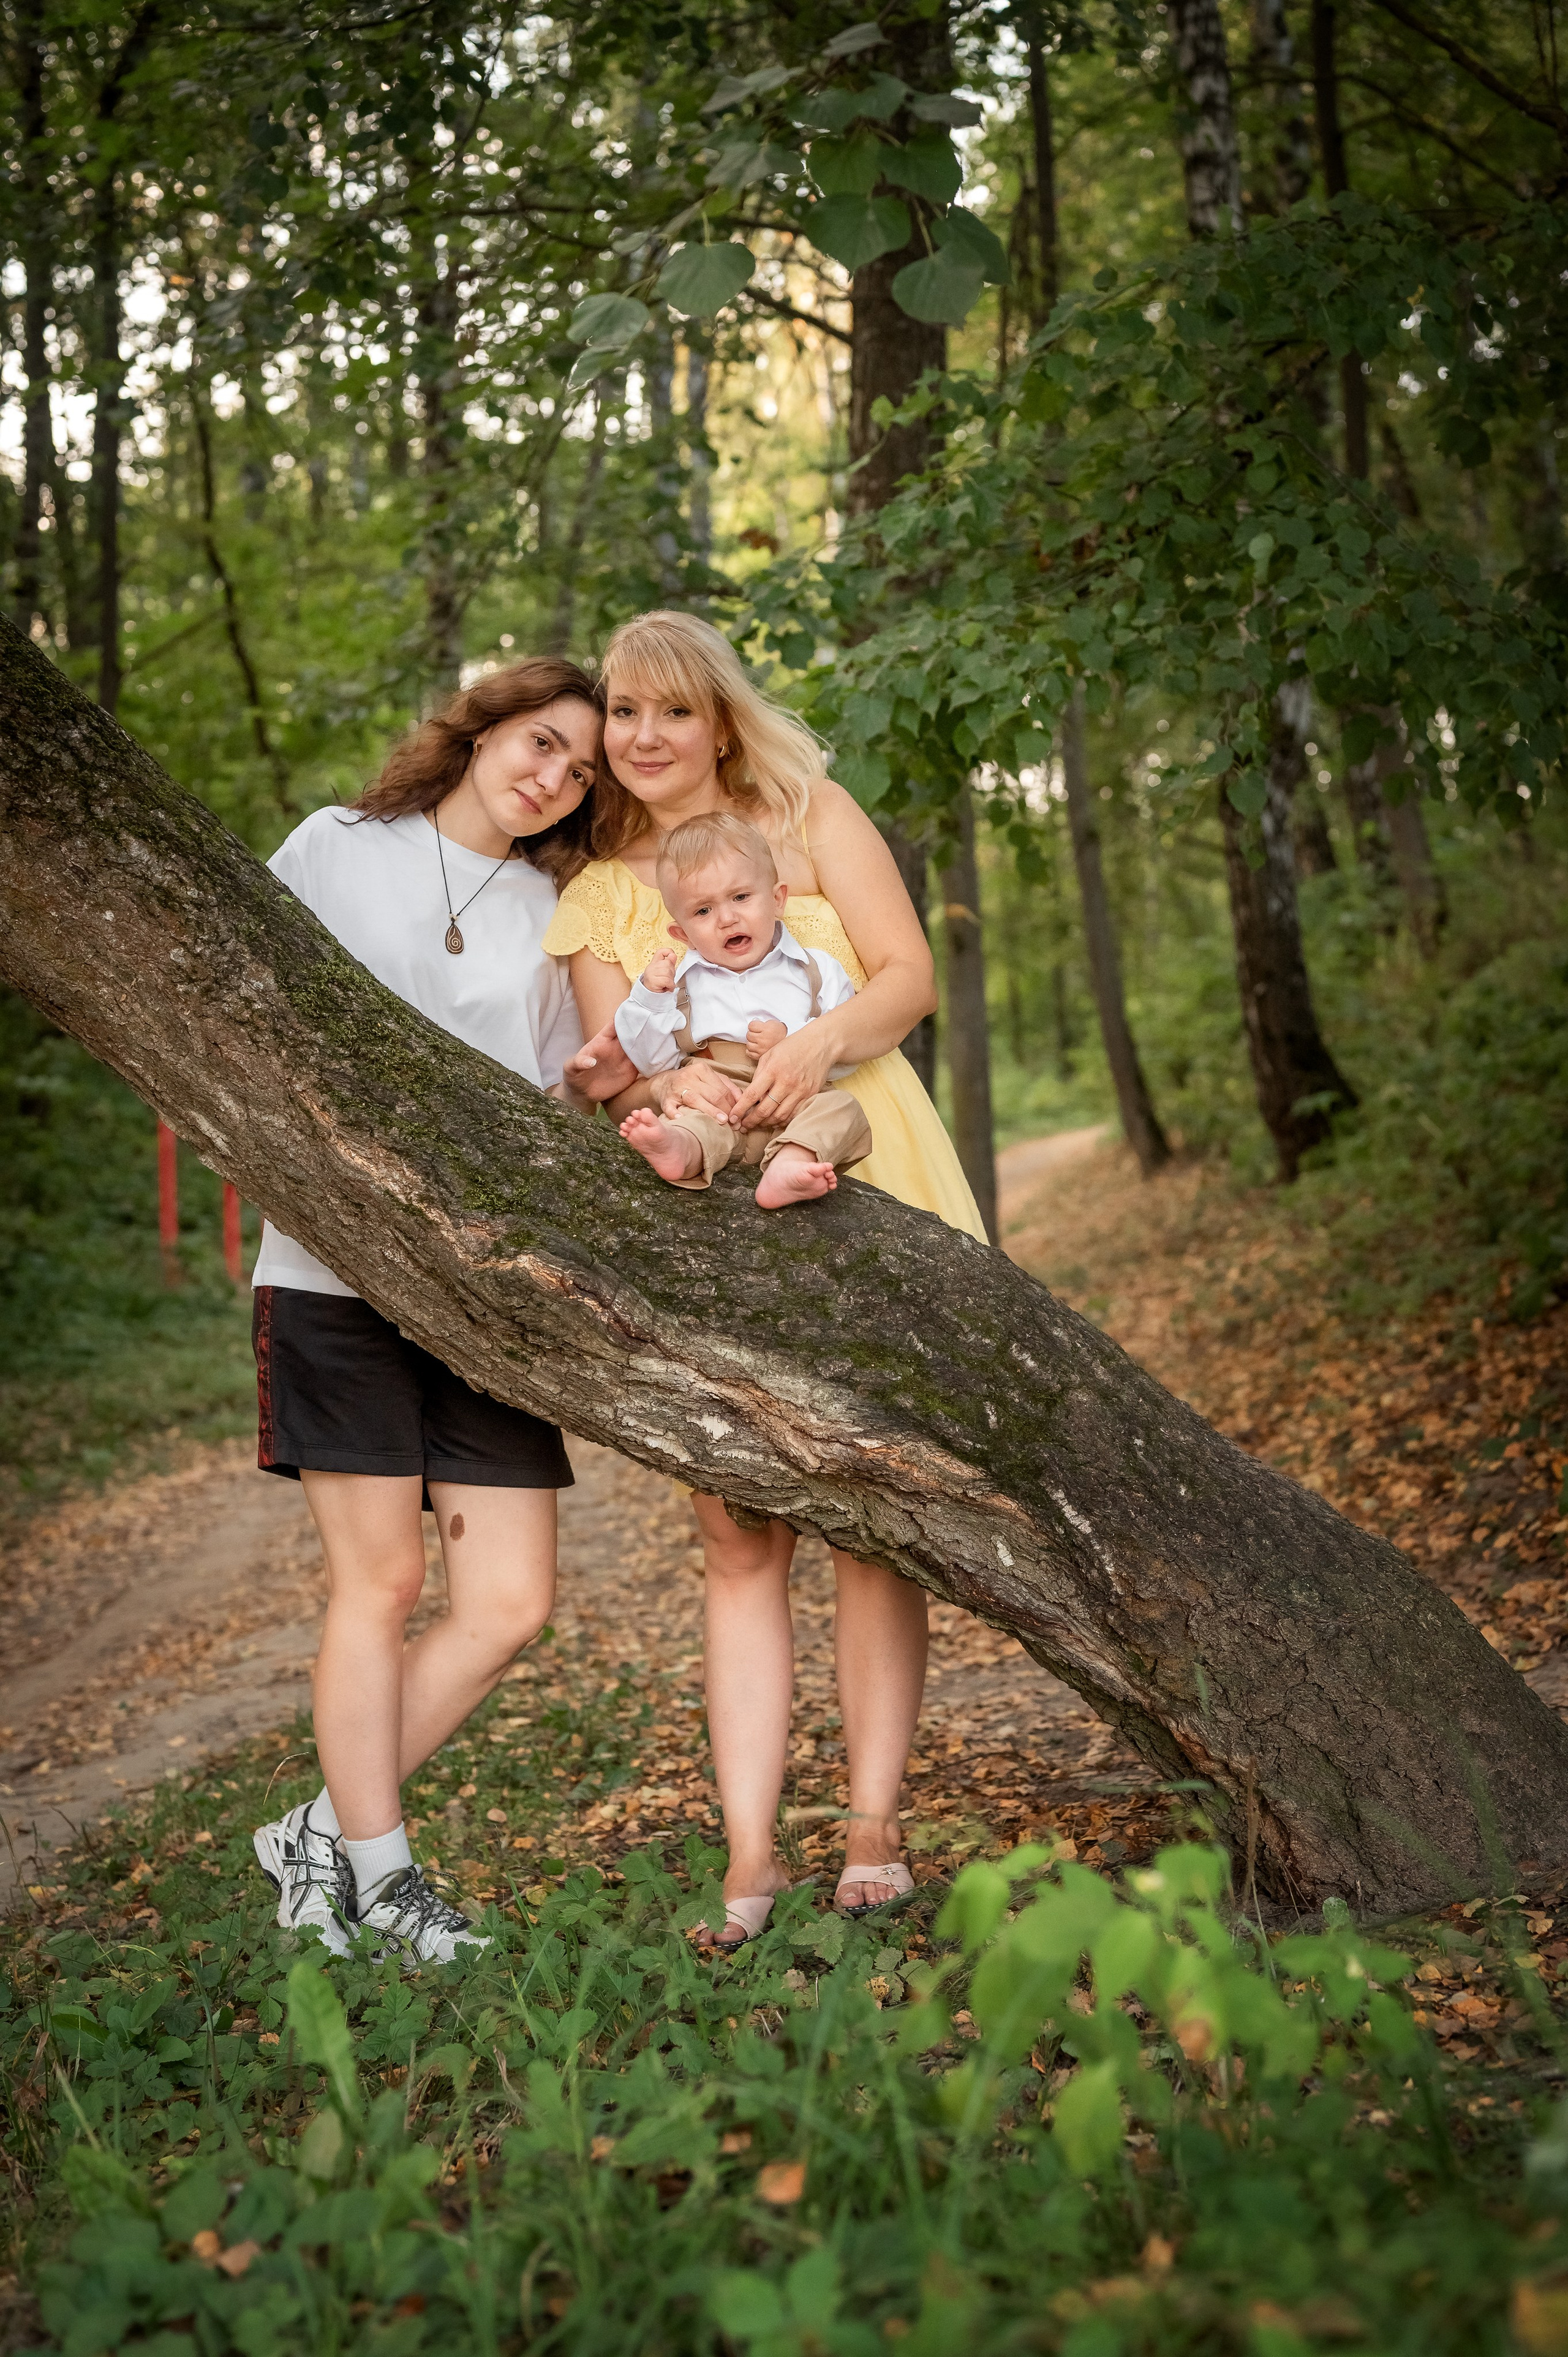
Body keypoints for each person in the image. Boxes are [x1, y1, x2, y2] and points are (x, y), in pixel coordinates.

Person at [552, 609, 987, 1948]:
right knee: (738, 1532)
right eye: (620, 713)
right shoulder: (597, 890)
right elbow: (610, 1056)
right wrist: (672, 1075)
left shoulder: (806, 813)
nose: (641, 738)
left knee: (873, 1514)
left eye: (670, 711)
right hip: (706, 1198)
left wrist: (821, 1041)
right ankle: (748, 1851)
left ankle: (871, 1822)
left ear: (719, 718)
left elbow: (907, 972)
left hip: (869, 1148)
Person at [248, 655, 601, 1969]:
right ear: (483, 725)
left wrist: (604, 1082)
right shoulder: (338, 846)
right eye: (538, 739)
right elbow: (237, 1013)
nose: (549, 773)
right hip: (330, 1273)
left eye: (574, 769)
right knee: (384, 1580)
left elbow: (550, 1099)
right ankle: (385, 1879)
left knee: (507, 1600)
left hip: (483, 1296)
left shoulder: (549, 908)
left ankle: (318, 1831)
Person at [614, 810, 872, 1207]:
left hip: (798, 1100)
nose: (727, 918)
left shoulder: (815, 970)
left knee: (842, 1107)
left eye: (740, 897)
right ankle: (679, 1150)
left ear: (777, 899)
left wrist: (793, 1040)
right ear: (683, 934)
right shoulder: (679, 984)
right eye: (703, 911)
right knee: (690, 1118)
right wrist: (651, 997)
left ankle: (789, 1165)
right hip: (721, 1099)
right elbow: (652, 1062)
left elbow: (846, 1054)